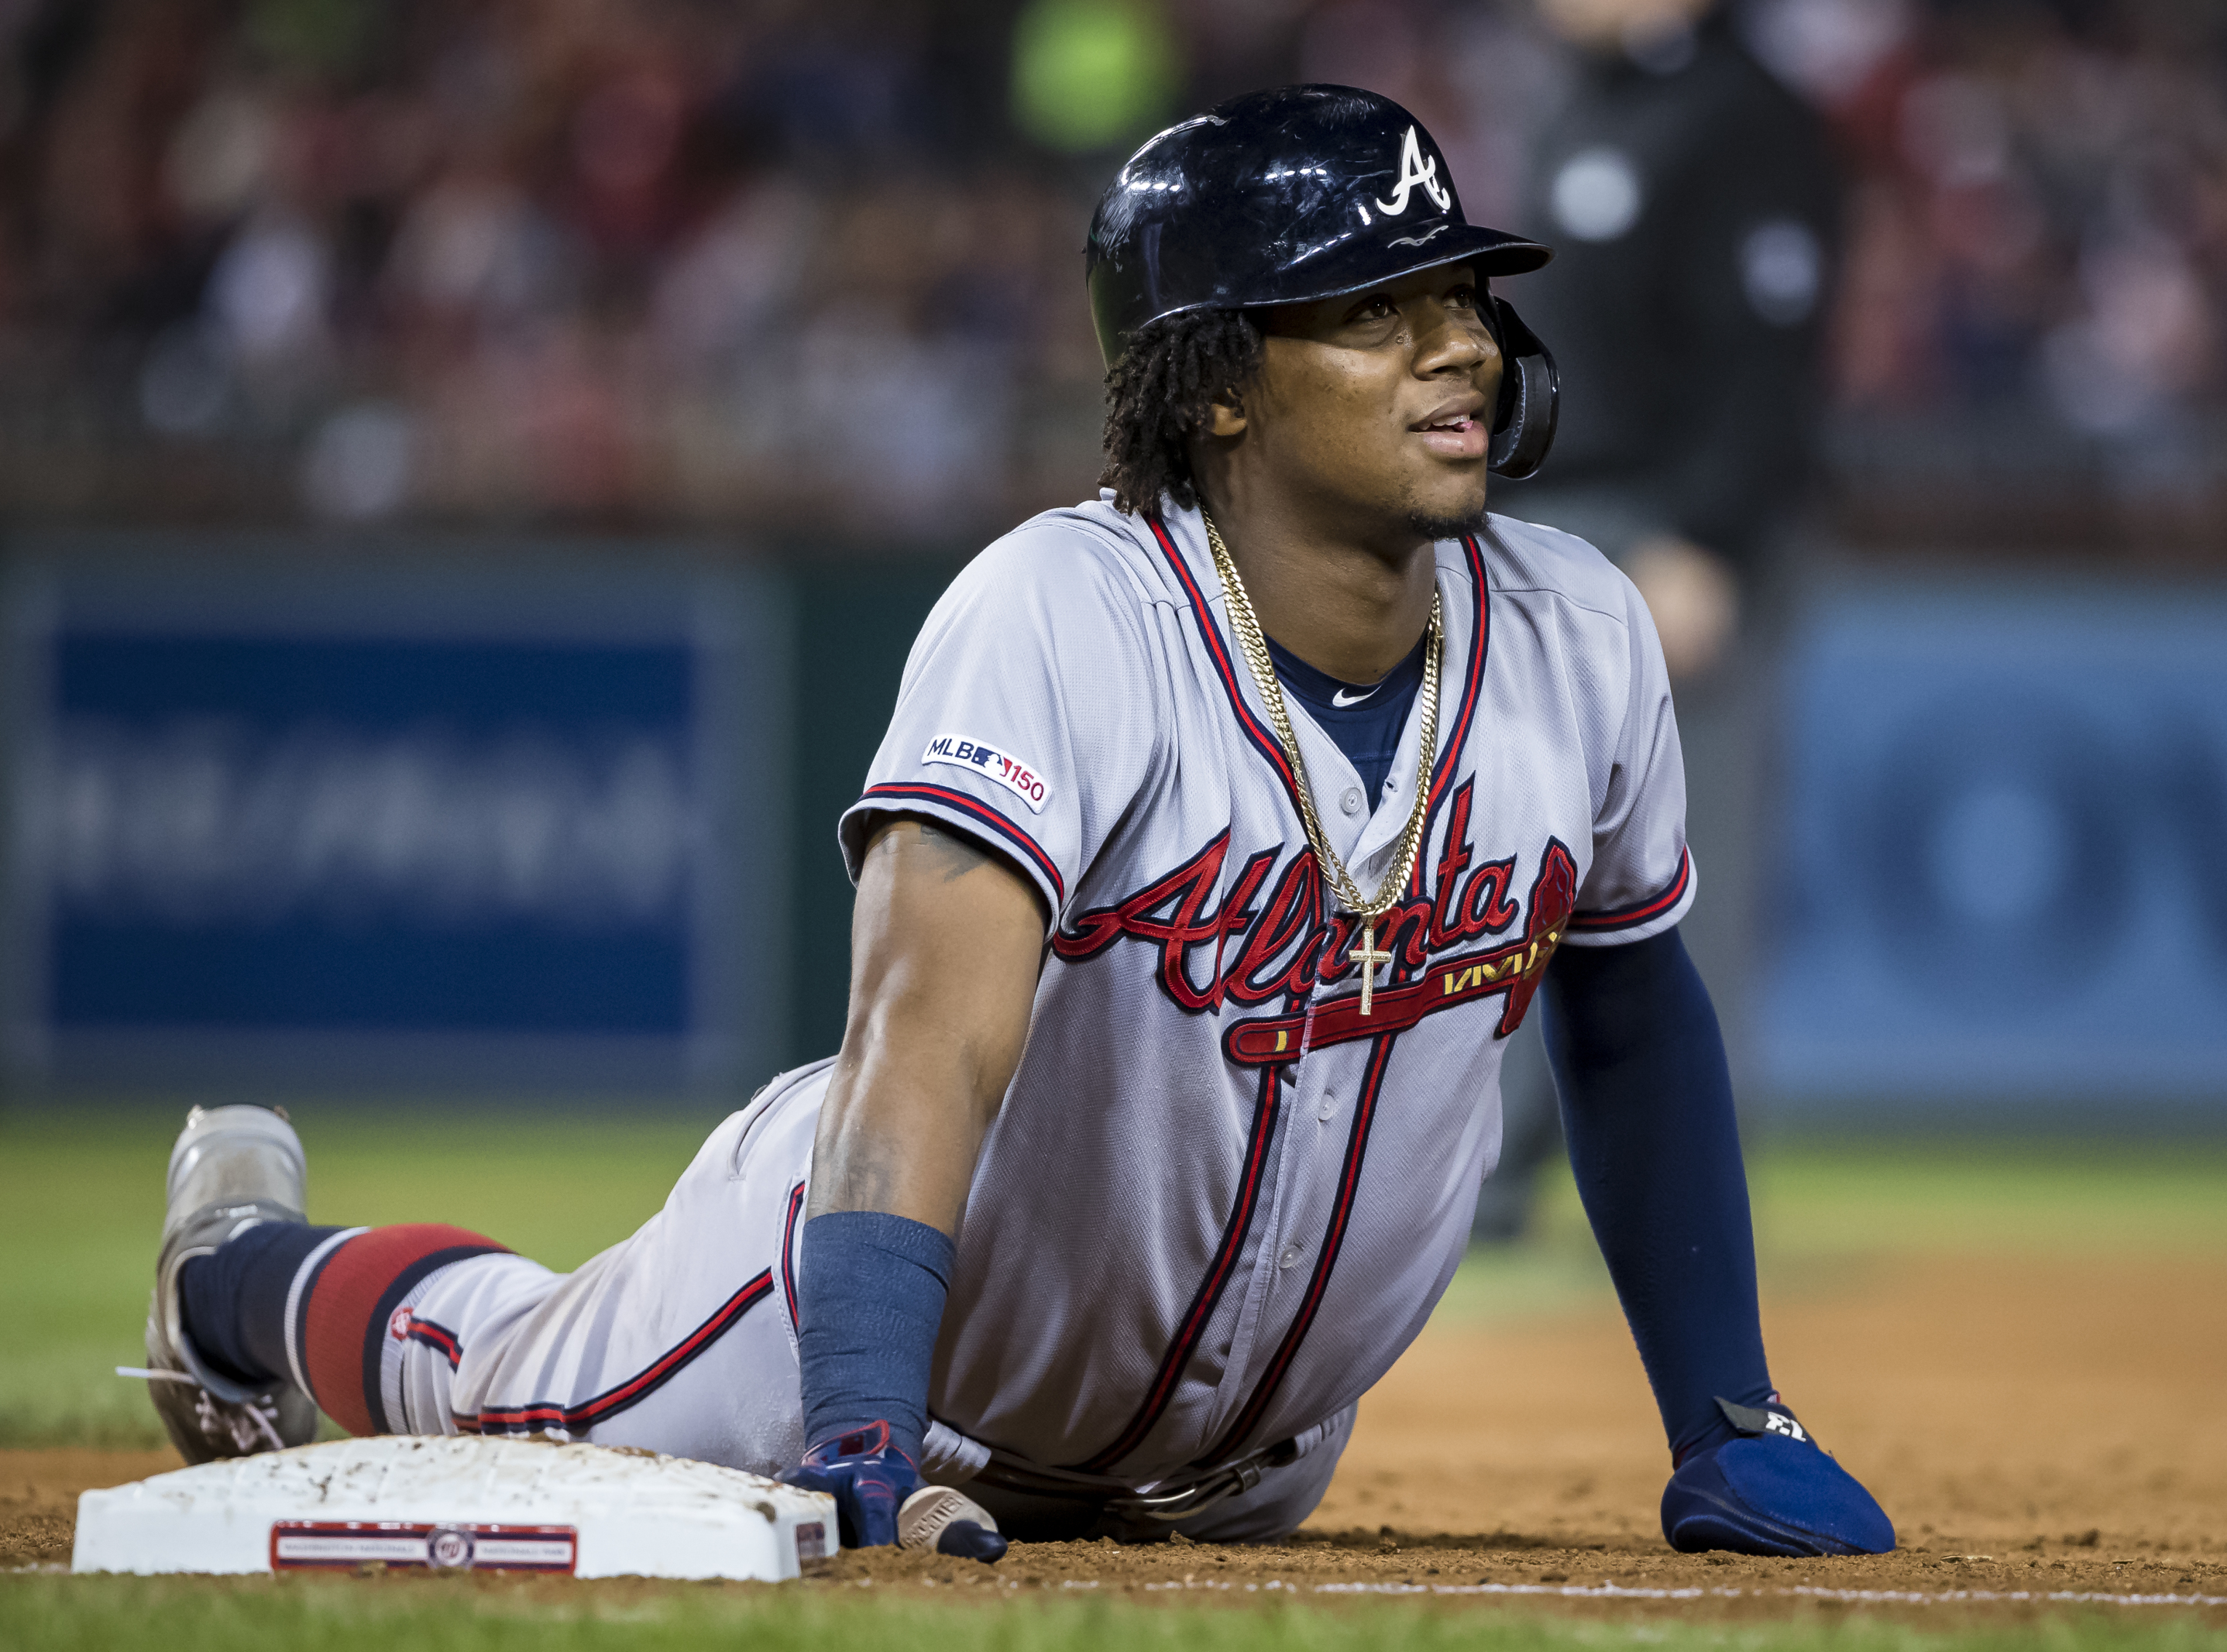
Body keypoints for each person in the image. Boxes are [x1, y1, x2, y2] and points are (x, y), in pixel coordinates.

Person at [134, 85, 1892, 1561]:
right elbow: (925, 1039)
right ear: (1216, 385)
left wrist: (1727, 1414)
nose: (1458, 343)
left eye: (1459, 293)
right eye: (1370, 310)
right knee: (501, 1364)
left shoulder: (1576, 629)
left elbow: (1633, 1009)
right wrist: (861, 1420)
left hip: (1246, 1465)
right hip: (865, 1349)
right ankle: (235, 1277)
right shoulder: (1063, 609)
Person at [1470, 0, 1843, 1241]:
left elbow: (1769, 355)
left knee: (1688, 873)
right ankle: (1492, 1175)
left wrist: (1713, 542)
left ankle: (1689, 1196)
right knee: (1511, 858)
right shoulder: (1581, 101)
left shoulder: (1748, 116)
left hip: (1670, 534)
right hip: (1548, 525)